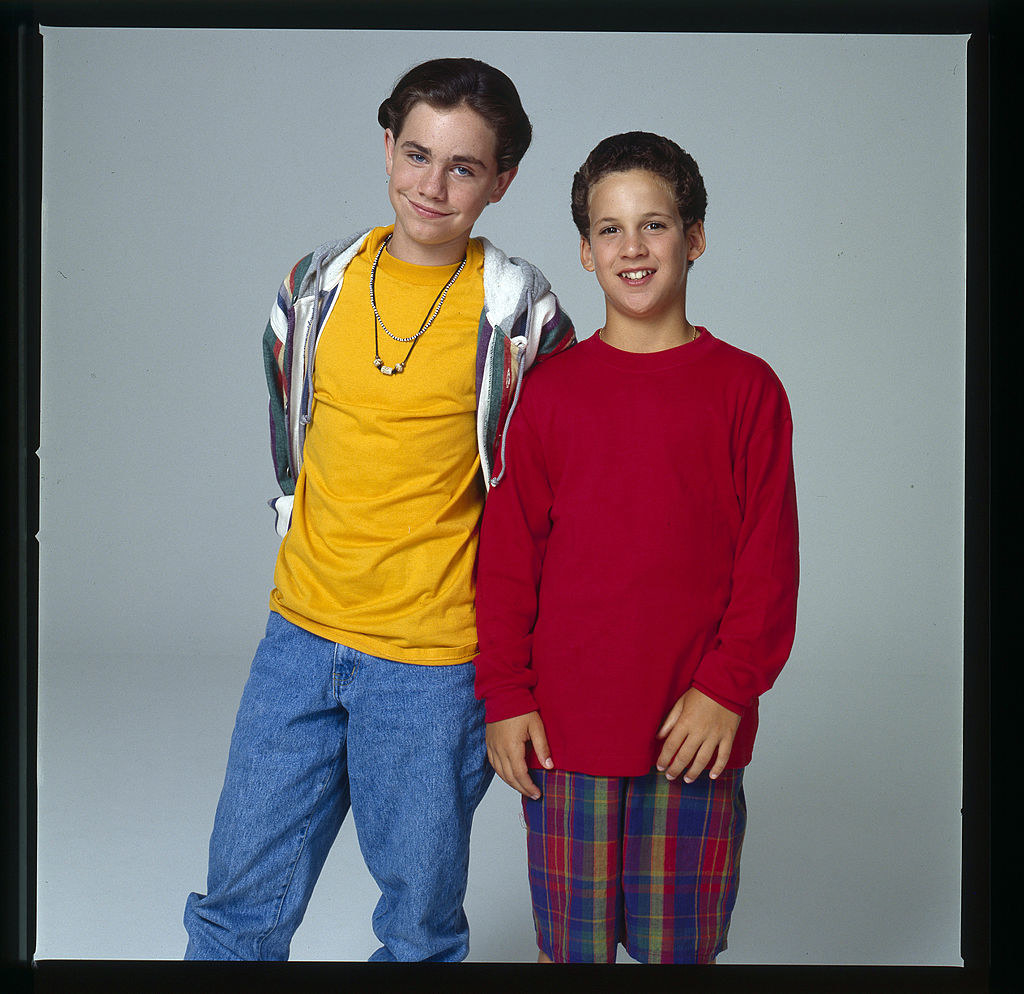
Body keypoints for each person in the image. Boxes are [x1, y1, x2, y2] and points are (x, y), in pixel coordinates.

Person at [183, 57, 574, 963]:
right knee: (236, 906)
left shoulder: (520, 311)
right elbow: (294, 436)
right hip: (298, 640)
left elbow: (548, 492)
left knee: (417, 925)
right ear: (388, 149)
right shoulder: (314, 284)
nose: (432, 186)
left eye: (464, 167)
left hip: (434, 665)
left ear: (502, 181)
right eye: (416, 154)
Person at [474, 131, 798, 965]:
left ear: (693, 238)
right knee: (570, 956)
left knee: (677, 955)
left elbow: (768, 563)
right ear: (584, 252)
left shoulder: (746, 389)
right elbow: (509, 562)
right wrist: (506, 695)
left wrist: (727, 690)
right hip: (565, 742)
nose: (632, 247)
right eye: (610, 229)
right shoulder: (548, 394)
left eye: (653, 225)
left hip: (693, 735)